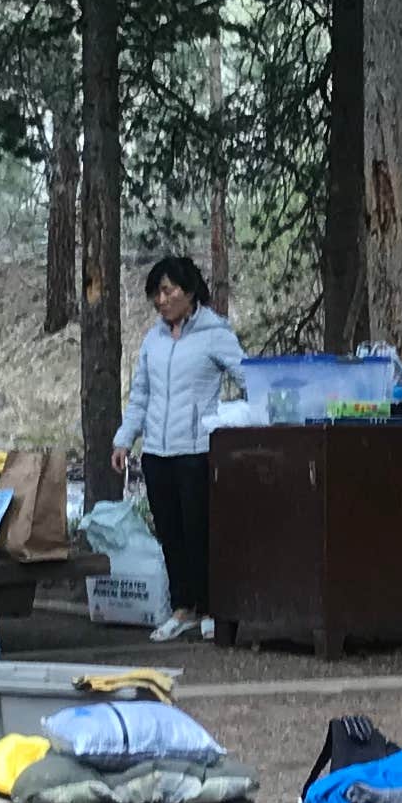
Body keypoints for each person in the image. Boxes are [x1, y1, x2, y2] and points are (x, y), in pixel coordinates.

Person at [115, 255, 245, 641]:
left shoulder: (215, 333)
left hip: (197, 449)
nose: (161, 300)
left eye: (167, 291)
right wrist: (124, 438)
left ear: (189, 292)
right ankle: (182, 608)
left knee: (199, 532)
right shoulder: (153, 340)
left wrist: (235, 419)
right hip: (157, 451)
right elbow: (141, 394)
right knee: (170, 534)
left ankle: (212, 608)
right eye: (156, 293)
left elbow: (248, 377)